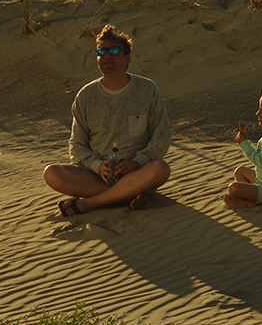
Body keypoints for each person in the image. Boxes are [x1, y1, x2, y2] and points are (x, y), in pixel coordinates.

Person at [43, 24, 171, 216]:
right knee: (51, 173)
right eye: (101, 52)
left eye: (113, 51)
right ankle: (128, 195)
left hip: (137, 172)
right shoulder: (85, 96)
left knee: (161, 168)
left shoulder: (147, 90)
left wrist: (136, 163)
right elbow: (76, 146)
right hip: (96, 176)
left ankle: (89, 204)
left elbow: (161, 136)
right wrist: (98, 166)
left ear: (127, 58)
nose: (106, 56)